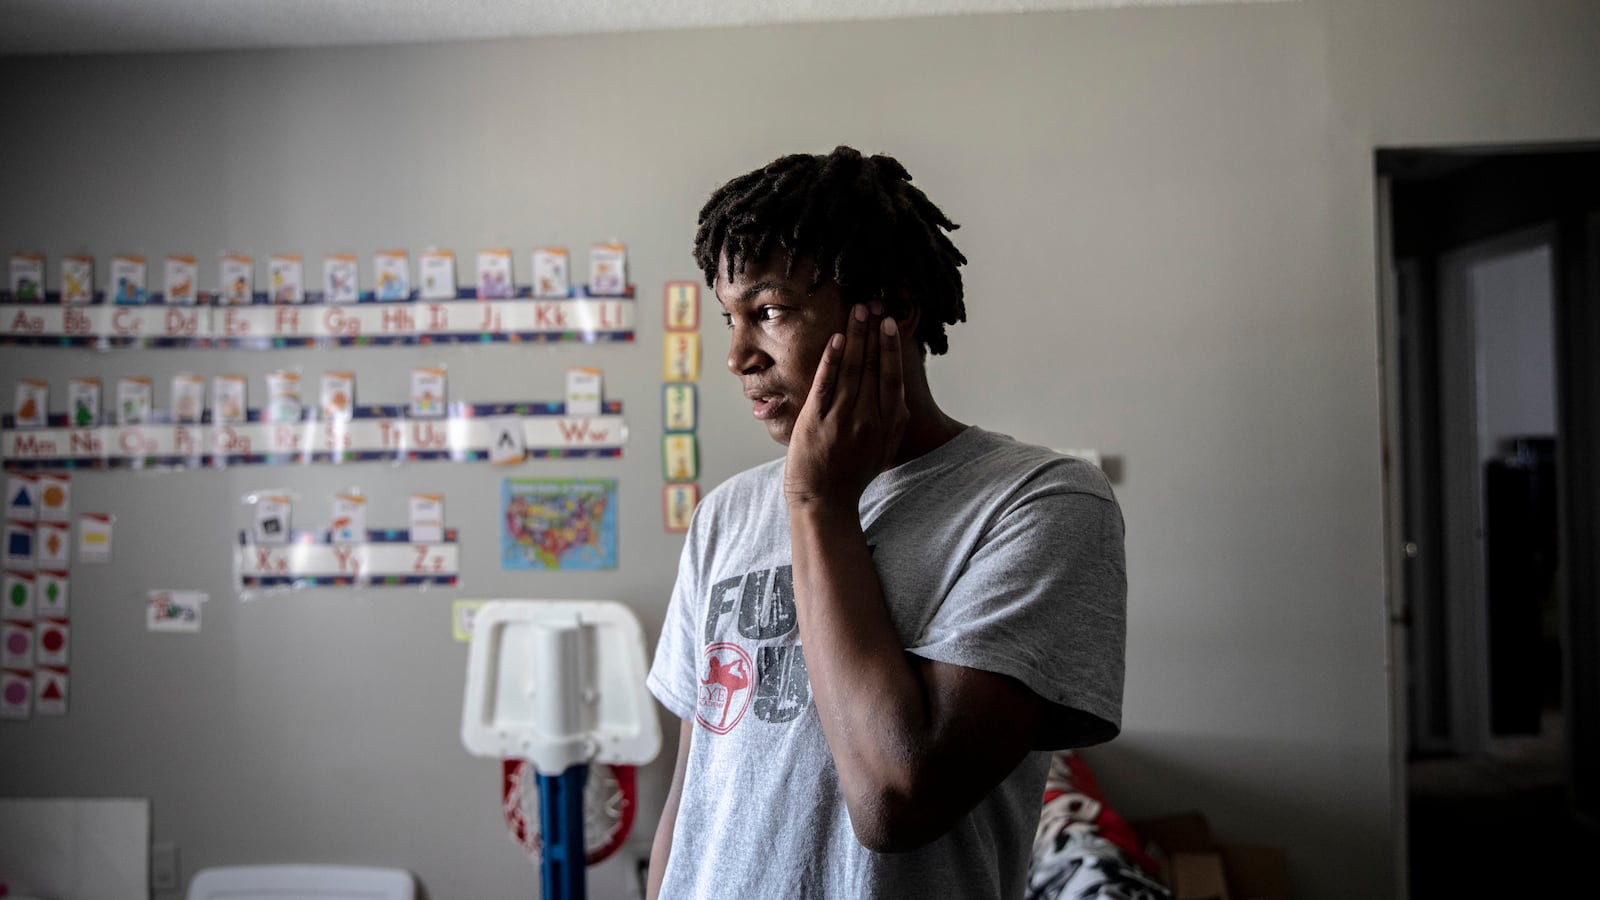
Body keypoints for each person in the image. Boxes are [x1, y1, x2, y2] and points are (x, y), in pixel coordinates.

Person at [646, 146, 1126, 899]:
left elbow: (895, 799)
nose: (738, 355)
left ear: (895, 308)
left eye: (770, 312)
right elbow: (694, 790)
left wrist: (819, 503)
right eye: (729, 319)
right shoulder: (724, 515)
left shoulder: (1038, 503)